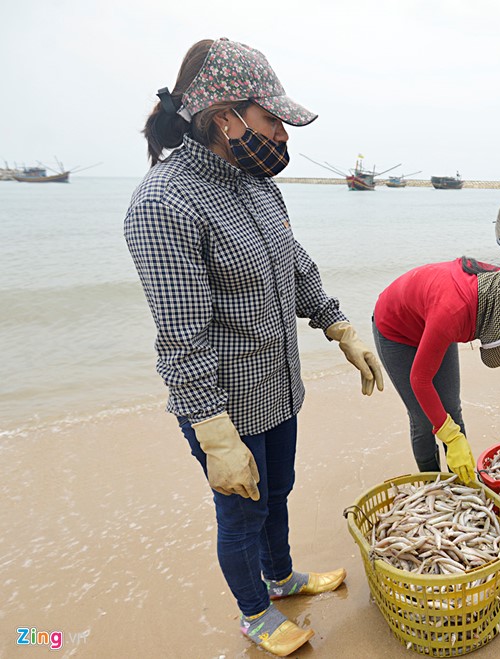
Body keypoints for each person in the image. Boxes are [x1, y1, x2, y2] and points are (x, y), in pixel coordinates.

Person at [124, 38, 385, 657]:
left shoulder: (258, 186)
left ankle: (281, 576)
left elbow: (293, 266)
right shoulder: (165, 203)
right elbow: (181, 333)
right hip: (223, 404)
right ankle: (254, 611)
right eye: (273, 121)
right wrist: (214, 434)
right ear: (226, 117)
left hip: (277, 385)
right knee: (241, 510)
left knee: (279, 488)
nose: (283, 138)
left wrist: (338, 325)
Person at [372, 257, 500, 483]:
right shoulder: (452, 312)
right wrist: (451, 438)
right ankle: (432, 483)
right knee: (424, 418)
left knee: (452, 411)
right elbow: (419, 380)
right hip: (397, 329)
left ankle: (460, 482)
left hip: (434, 319)